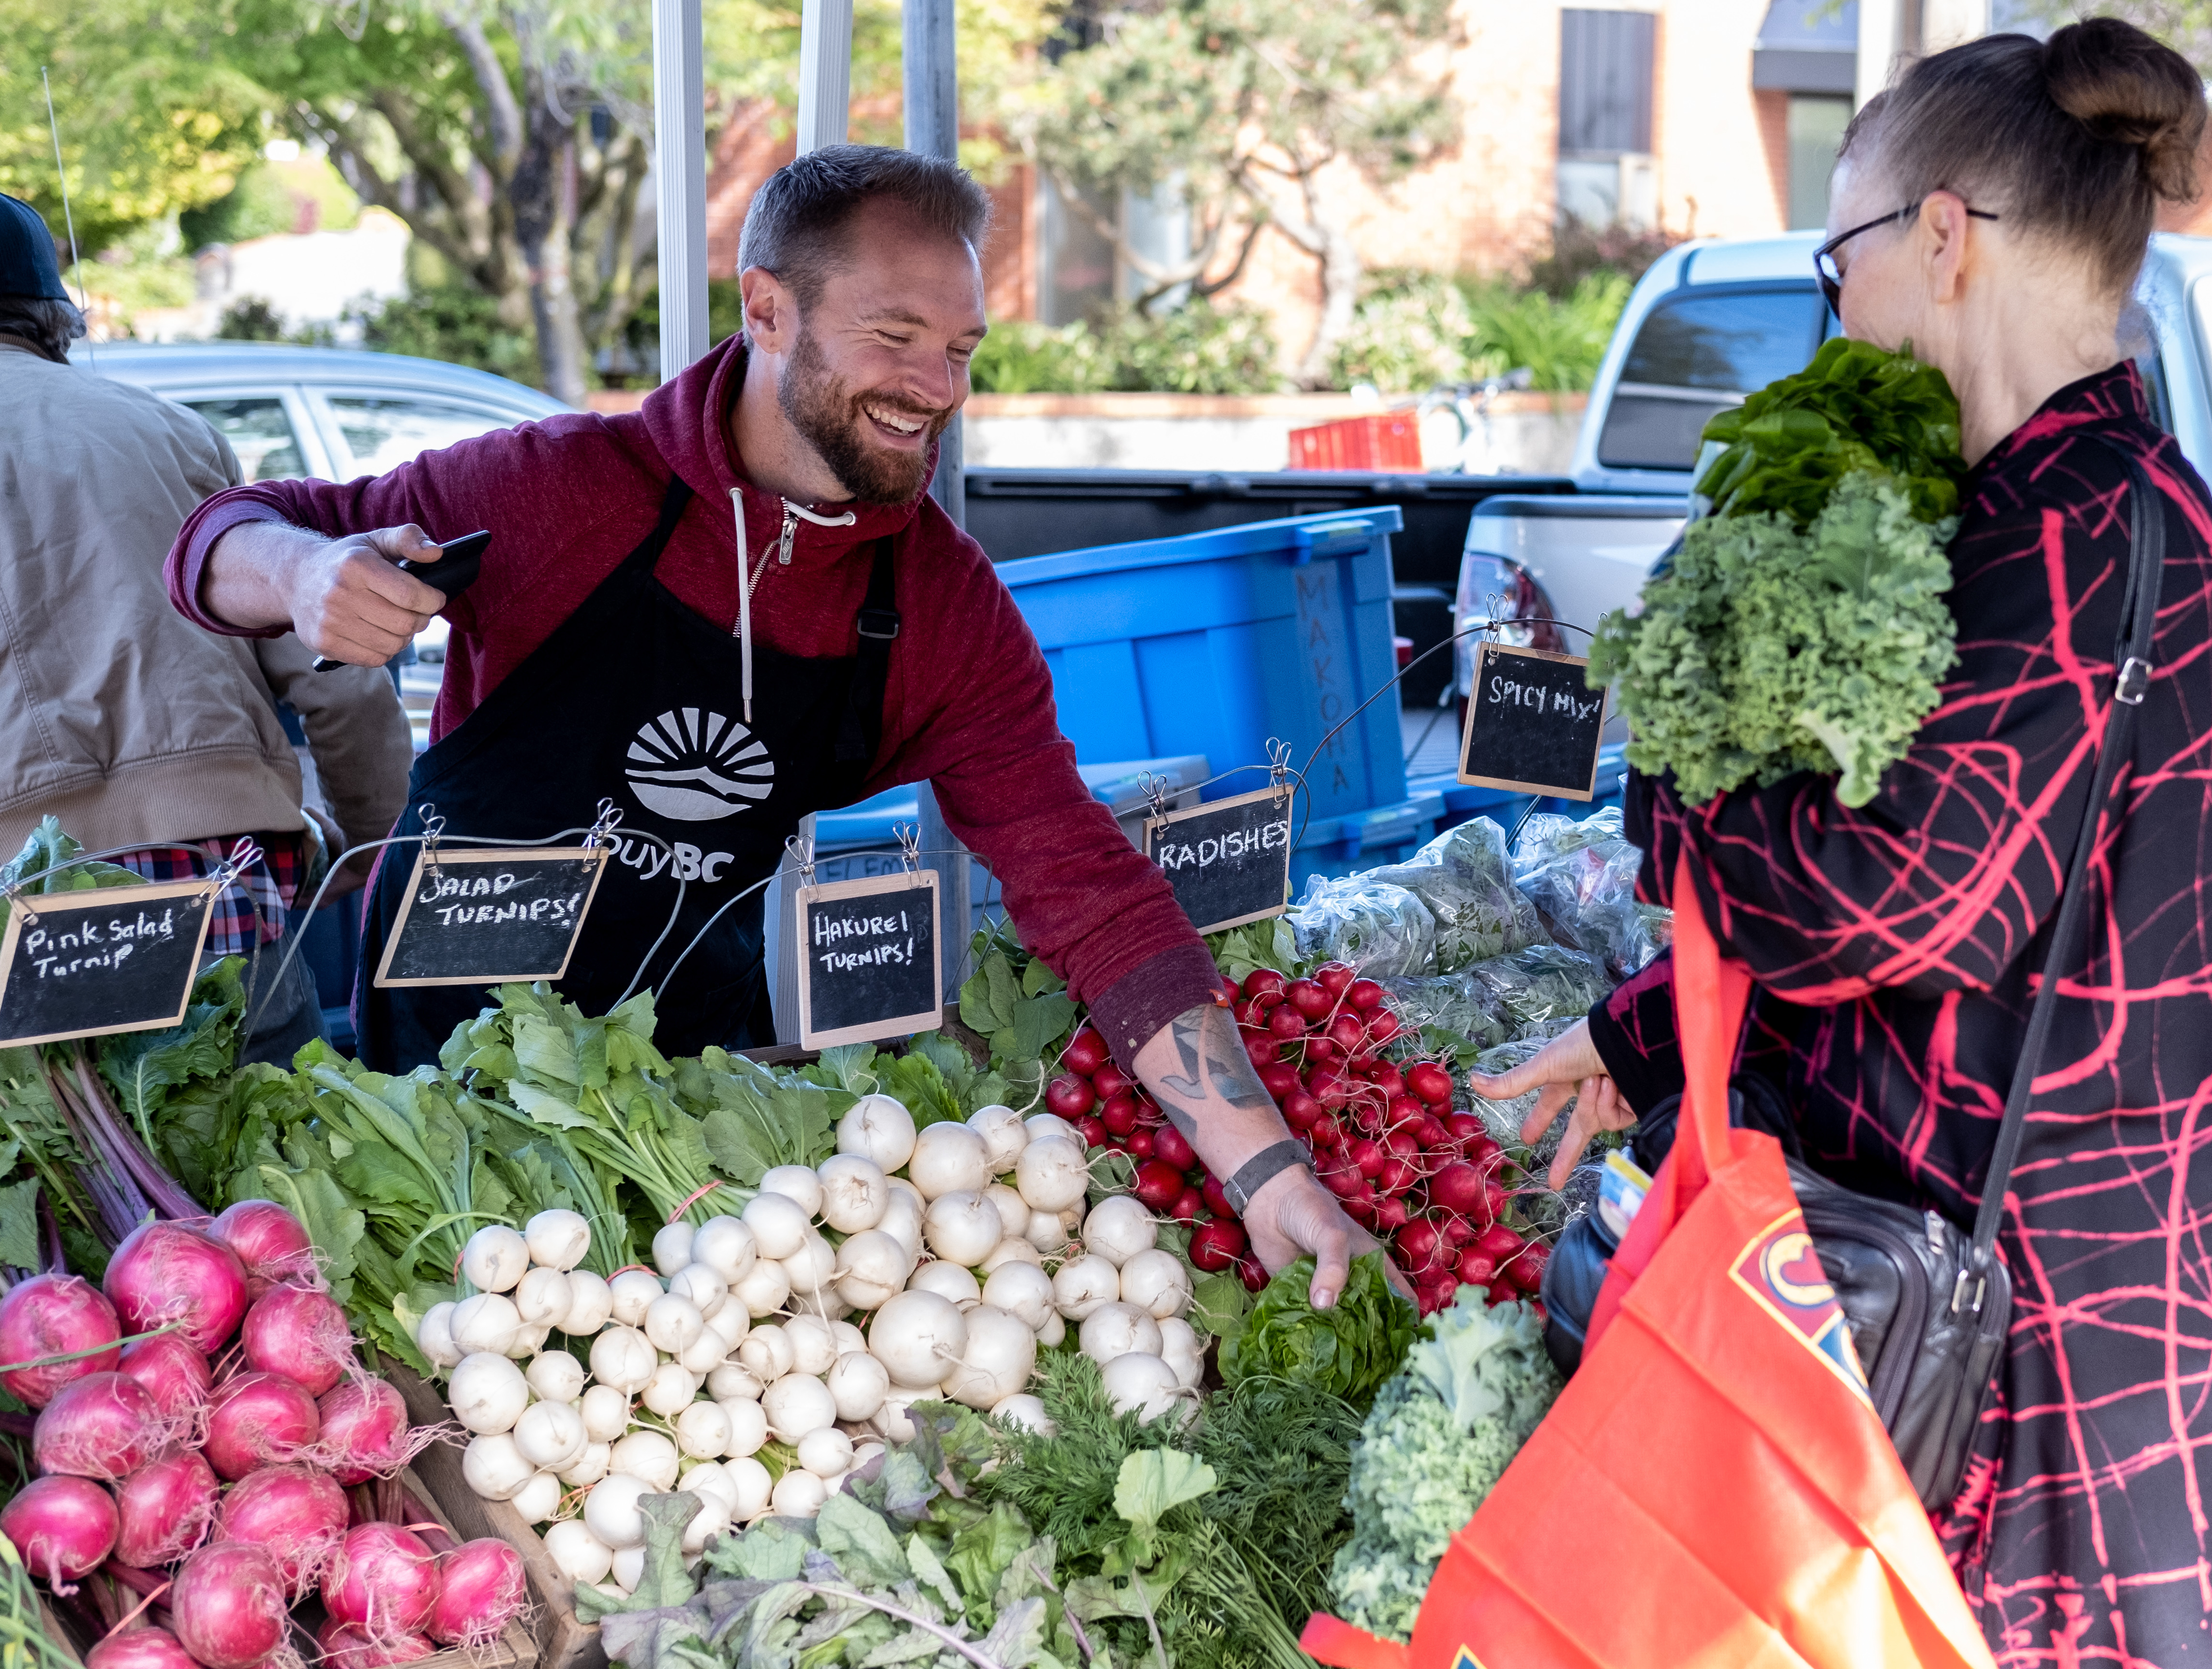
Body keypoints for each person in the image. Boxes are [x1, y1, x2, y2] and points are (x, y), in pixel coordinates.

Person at [1480, 23, 2212, 1669]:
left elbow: (1886, 912)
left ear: (1941, 237)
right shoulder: (2103, 509)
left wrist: (1674, 747)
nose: (1834, 306)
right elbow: (1989, 919)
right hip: (2133, 1291)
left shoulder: (2058, 541)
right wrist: (1635, 1030)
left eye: (1838, 258)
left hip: (2071, 1327)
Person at [167, 145, 1377, 1307]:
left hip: (688, 1077)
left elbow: (1087, 887)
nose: (938, 387)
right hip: (441, 1059)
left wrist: (1267, 1174)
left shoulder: (942, 607)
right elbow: (224, 534)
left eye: (961, 348)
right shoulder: (560, 490)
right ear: (766, 310)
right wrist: (304, 568)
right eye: (894, 337)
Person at [0, 191, 409, 1068]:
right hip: (216, 880)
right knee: (268, 1183)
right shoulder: (169, 431)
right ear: (52, 316)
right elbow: (330, 649)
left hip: (15, 904)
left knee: (55, 1195)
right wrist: (372, 836)